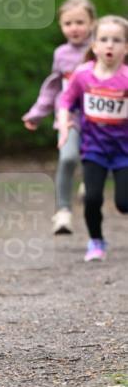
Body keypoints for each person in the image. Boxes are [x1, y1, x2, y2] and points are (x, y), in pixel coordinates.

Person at [22, 0, 96, 234]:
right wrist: (36, 113)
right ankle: (63, 212)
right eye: (68, 23)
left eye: (80, 22)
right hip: (69, 118)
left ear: (92, 23)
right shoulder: (61, 54)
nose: (74, 28)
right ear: (61, 26)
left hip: (100, 120)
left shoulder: (102, 48)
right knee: (67, 158)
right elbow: (53, 86)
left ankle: (90, 185)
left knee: (93, 159)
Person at [57, 14, 128, 262]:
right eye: (104, 39)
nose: (110, 45)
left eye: (117, 40)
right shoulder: (83, 75)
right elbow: (66, 100)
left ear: (126, 47)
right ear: (94, 45)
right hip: (94, 149)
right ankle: (96, 241)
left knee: (124, 203)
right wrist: (65, 123)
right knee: (92, 198)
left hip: (123, 151)